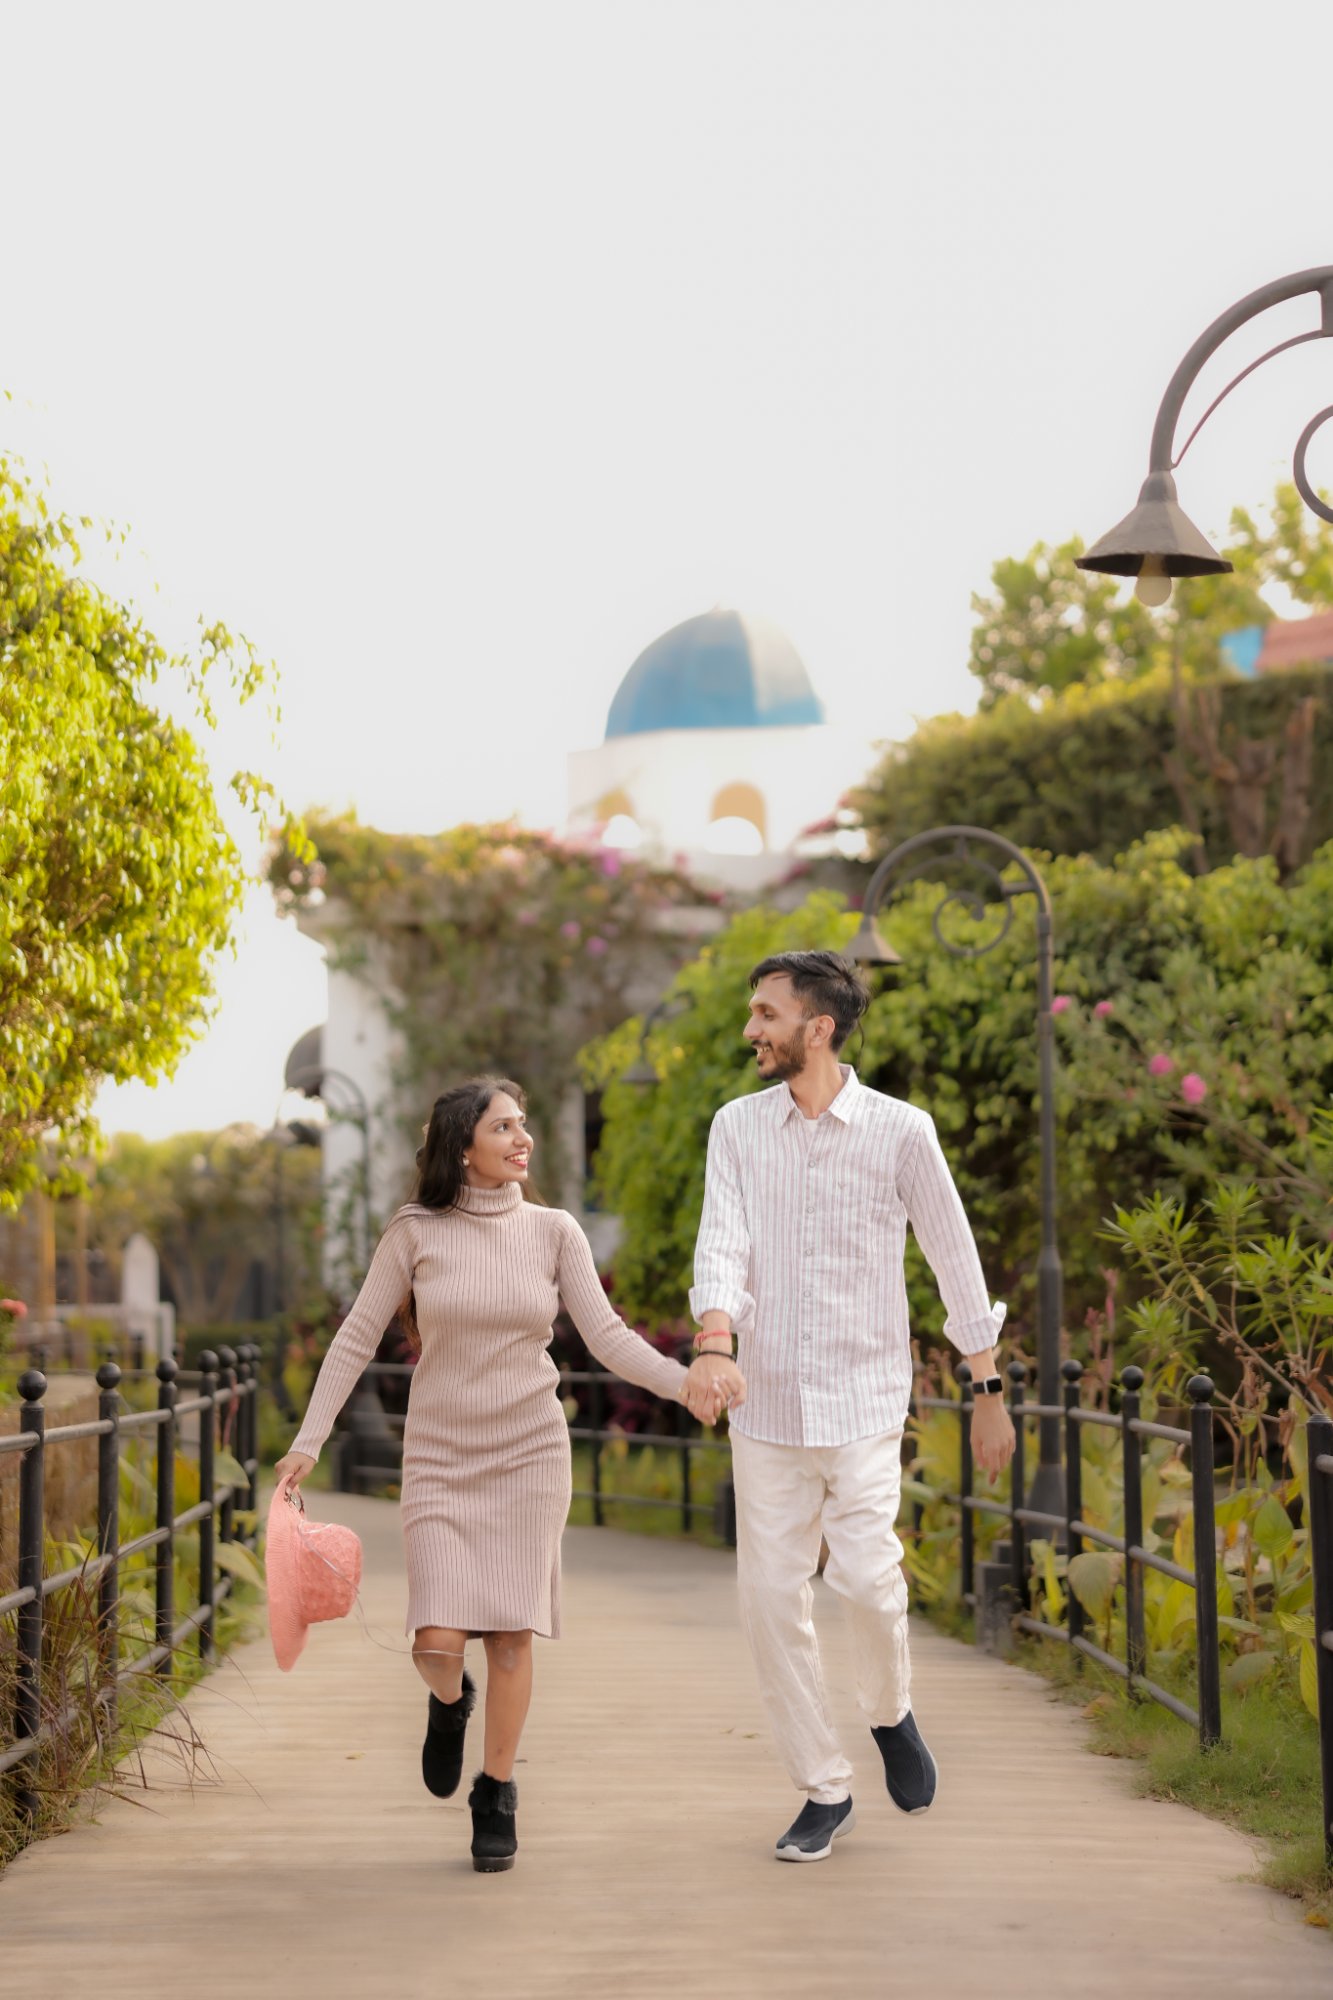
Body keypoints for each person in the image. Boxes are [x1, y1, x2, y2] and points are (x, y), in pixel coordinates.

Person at [275, 1075, 744, 1873]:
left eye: (524, 1124)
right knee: (437, 1637)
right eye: (504, 1127)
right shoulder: (415, 1232)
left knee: (511, 1635)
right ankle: (449, 1707)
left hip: (529, 1450)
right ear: (464, 1146)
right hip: (440, 1457)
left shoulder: (555, 1231)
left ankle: (496, 1792)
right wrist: (307, 1442)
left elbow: (606, 1337)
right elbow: (356, 1337)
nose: (523, 1139)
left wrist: (687, 1380)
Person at [687, 950, 1015, 1862]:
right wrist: (715, 1340)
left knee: (868, 1581)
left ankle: (890, 1711)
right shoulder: (736, 1128)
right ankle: (823, 1787)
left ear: (816, 1028)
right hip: (767, 1407)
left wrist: (986, 1389)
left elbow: (954, 1256)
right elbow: (722, 1245)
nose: (750, 1029)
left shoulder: (901, 1132)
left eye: (765, 1013)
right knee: (766, 1597)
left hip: (866, 1397)